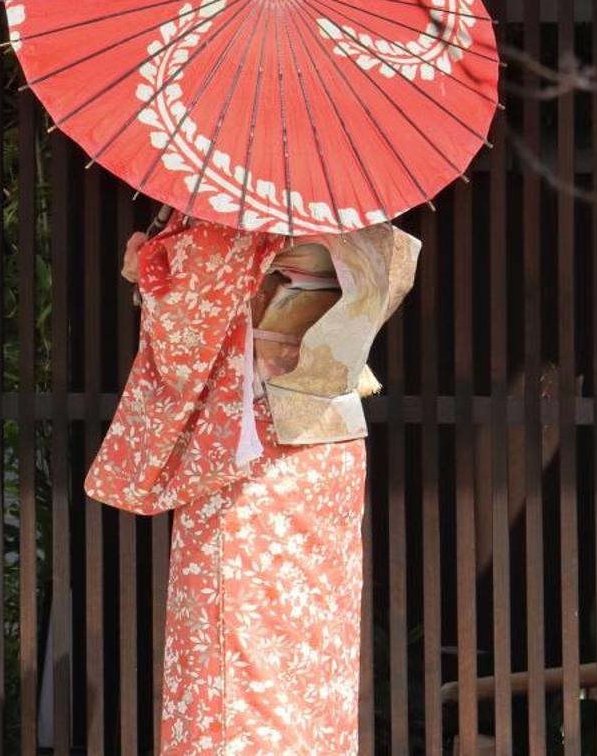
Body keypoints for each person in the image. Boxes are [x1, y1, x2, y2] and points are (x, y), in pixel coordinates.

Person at [86, 211, 419, 755]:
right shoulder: (359, 216)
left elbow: (189, 325)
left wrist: (149, 269)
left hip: (248, 442)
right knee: (313, 641)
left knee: (235, 634)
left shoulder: (233, 212)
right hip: (327, 441)